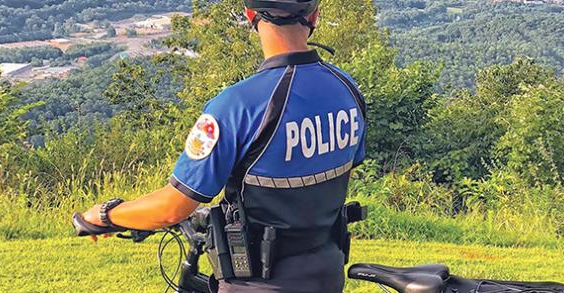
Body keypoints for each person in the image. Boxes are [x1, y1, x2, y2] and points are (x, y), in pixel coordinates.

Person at [79, 0, 366, 292]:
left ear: (250, 15)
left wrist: (104, 215)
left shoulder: (235, 106)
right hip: (327, 273)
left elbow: (172, 207)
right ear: (314, 15)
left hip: (256, 284)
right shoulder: (347, 89)